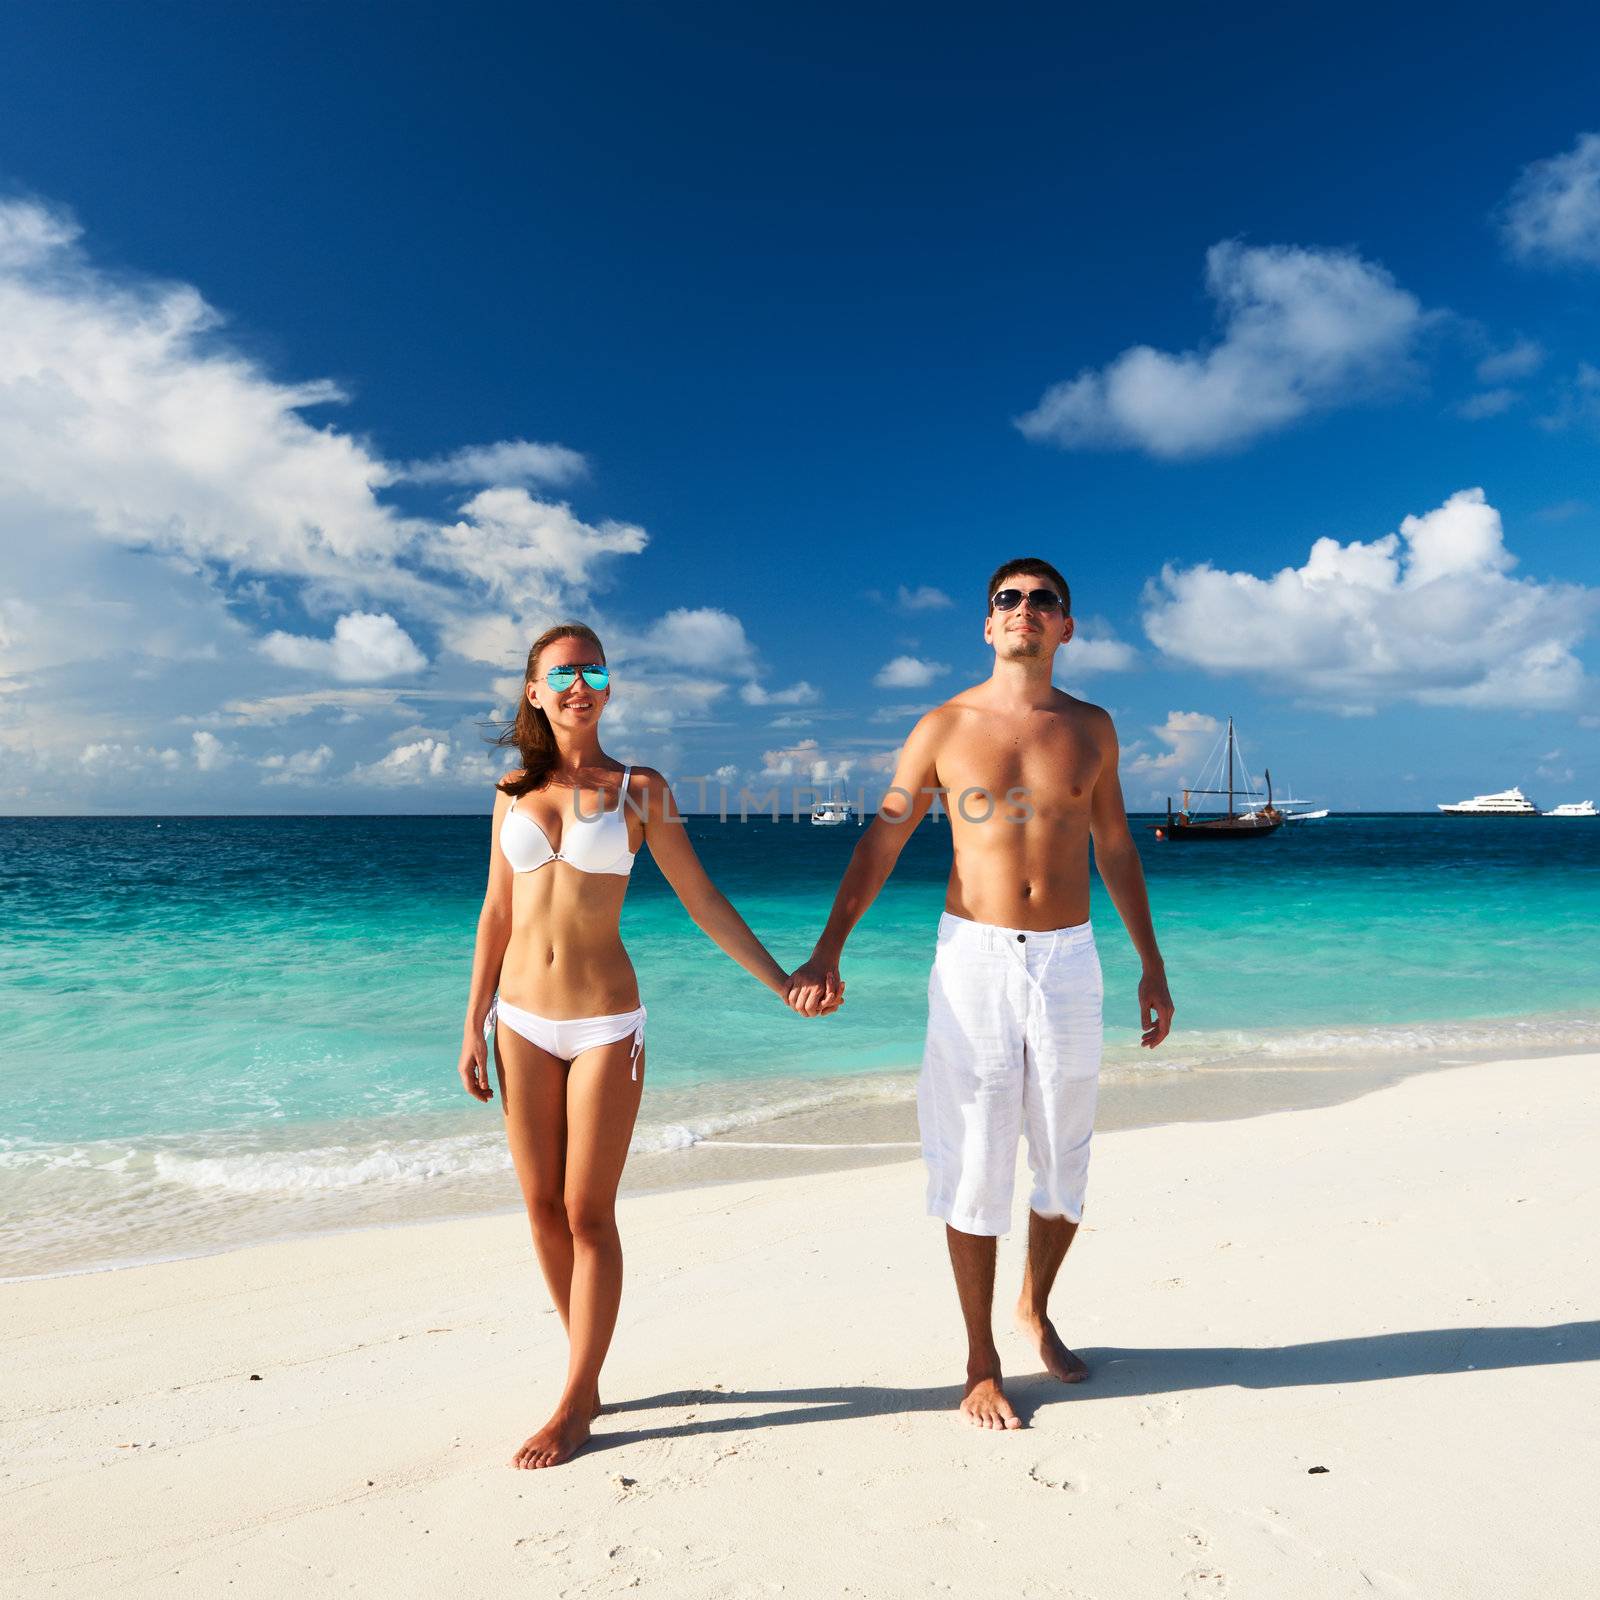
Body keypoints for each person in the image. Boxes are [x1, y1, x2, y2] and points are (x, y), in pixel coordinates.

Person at [786, 558, 1173, 1431]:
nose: (1025, 611)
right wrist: (827, 950)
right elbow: (880, 844)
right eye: (1010, 601)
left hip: (1072, 958)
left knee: (1066, 1155)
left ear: (1066, 628)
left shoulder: (1093, 728)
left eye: (1044, 601)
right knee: (974, 1151)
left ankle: (1033, 1307)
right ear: (988, 625)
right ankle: (980, 1359)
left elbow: (1115, 846)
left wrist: (1151, 963)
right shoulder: (943, 726)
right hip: (976, 957)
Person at [458, 621, 835, 1469]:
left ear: (608, 685)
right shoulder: (512, 790)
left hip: (603, 1024)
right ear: (534, 691)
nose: (579, 684)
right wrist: (472, 1022)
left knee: (589, 1212)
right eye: (562, 673)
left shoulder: (641, 789)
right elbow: (495, 913)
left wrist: (780, 982)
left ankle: (573, 1400)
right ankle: (584, 1373)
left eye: (593, 669)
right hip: (518, 1021)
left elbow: (701, 900)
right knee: (541, 1210)